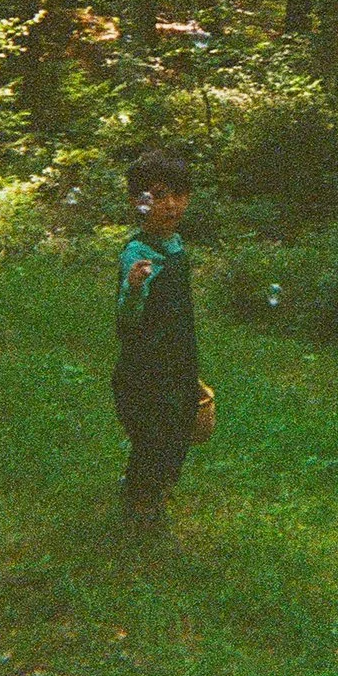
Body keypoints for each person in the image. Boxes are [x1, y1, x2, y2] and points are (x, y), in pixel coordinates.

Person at [113, 150, 202, 534]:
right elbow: (127, 318)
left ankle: (150, 489)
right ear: (138, 203)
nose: (172, 205)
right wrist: (133, 288)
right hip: (145, 366)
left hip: (177, 360)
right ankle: (142, 504)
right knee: (153, 434)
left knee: (180, 429)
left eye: (180, 195)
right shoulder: (138, 253)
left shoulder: (177, 246)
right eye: (160, 195)